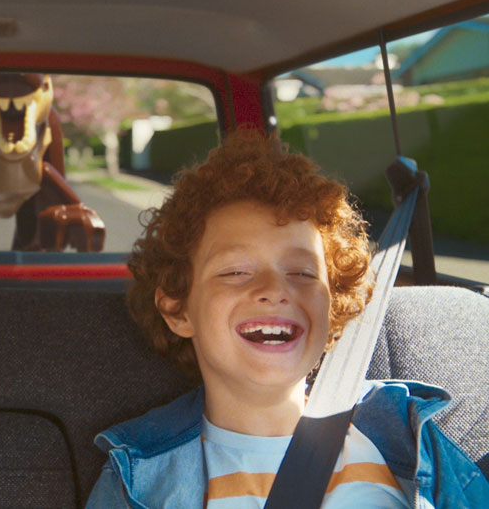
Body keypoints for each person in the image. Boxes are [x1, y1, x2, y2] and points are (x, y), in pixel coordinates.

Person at [86, 132, 489, 508]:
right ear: (178, 309)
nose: (275, 289)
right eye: (235, 271)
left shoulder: (408, 436)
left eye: (302, 273)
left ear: (332, 306)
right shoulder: (138, 477)